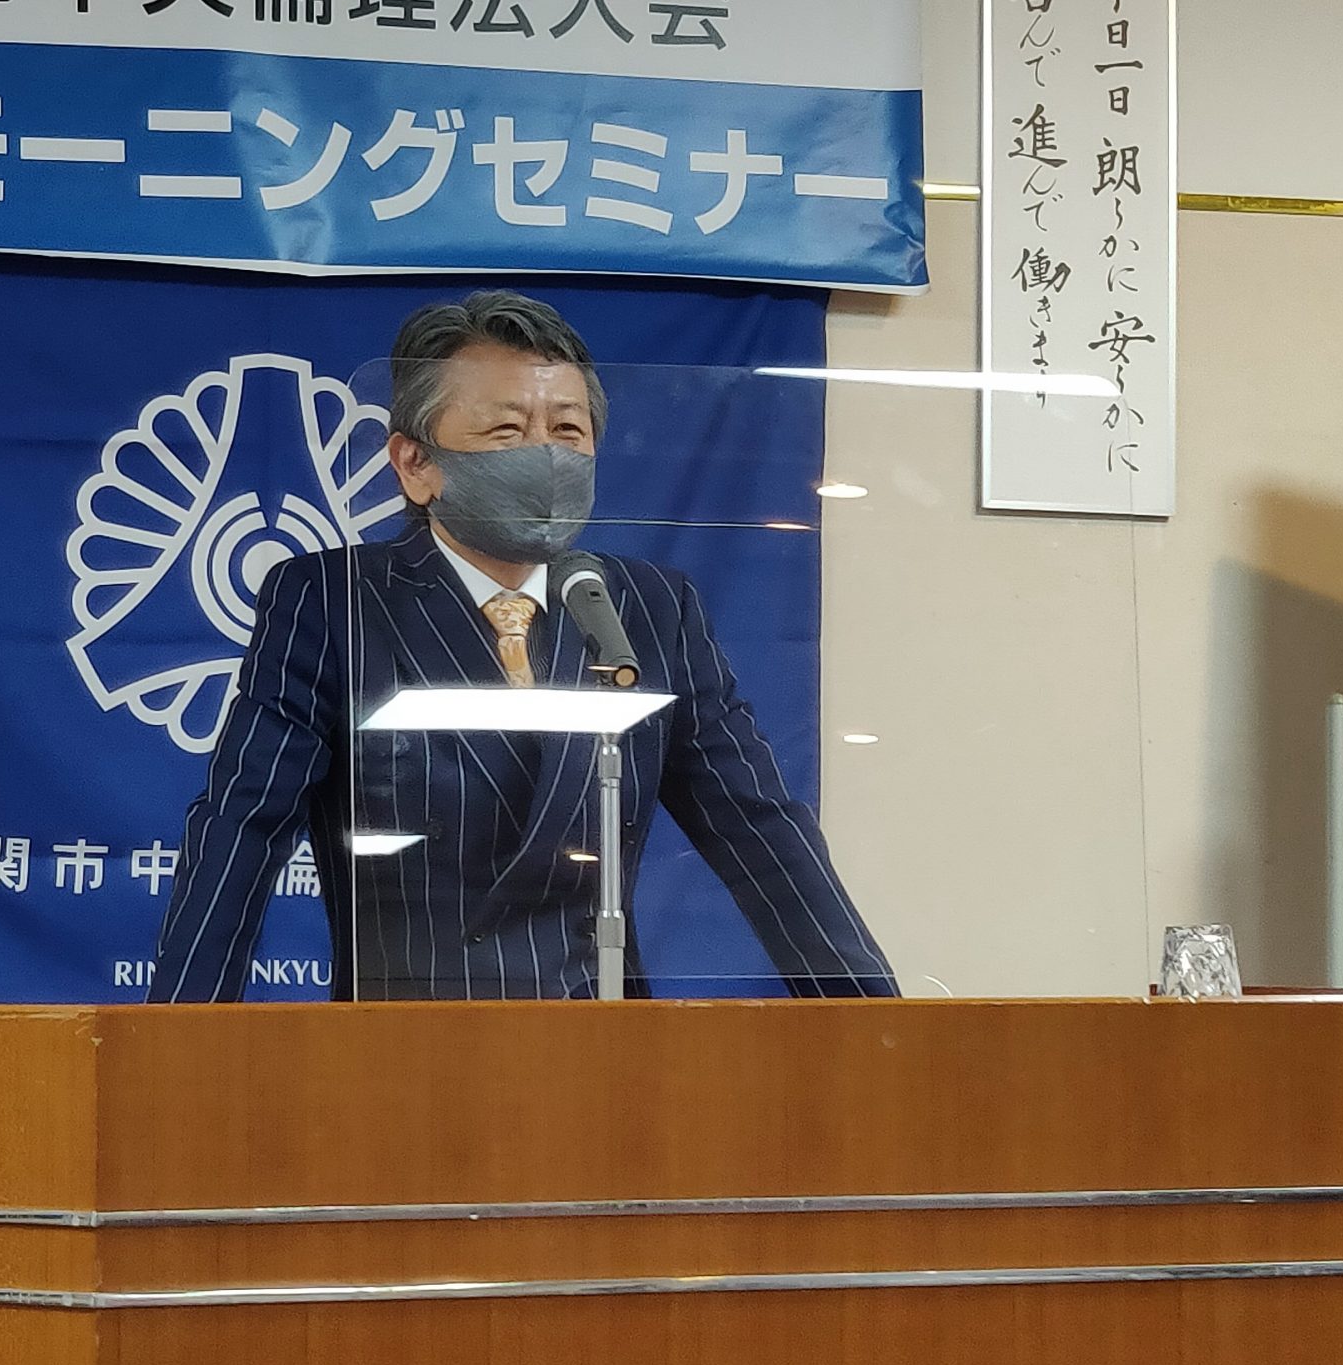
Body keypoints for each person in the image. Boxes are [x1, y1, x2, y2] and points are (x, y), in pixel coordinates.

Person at [148, 290, 895, 1001]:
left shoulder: (648, 609)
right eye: (507, 432)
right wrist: (176, 1043)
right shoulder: (335, 600)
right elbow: (242, 830)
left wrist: (877, 1026)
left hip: (604, 1043)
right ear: (415, 465)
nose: (546, 455)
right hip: (401, 1045)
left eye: (567, 431)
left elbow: (758, 827)